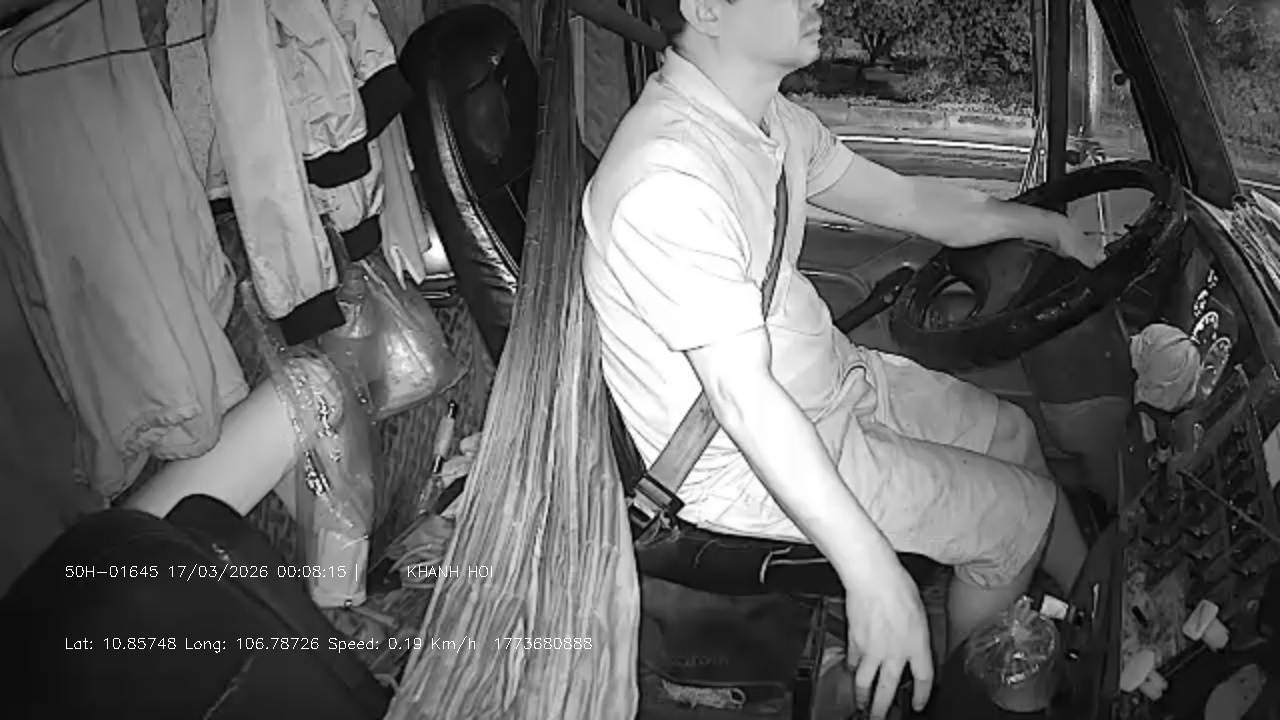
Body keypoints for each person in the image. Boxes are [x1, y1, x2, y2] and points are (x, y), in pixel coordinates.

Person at [580, 0, 1098, 717]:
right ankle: (960, 694)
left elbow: (910, 202)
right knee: (1019, 520)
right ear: (706, 9)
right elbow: (742, 398)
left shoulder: (768, 123)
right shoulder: (668, 179)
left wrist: (1049, 227)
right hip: (740, 461)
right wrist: (871, 571)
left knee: (1013, 433)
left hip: (829, 382)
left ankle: (1093, 611)